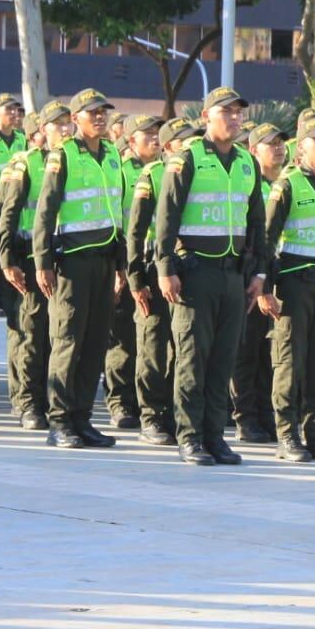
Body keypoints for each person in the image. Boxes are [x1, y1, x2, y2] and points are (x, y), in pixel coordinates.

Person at [153, 86, 268, 466]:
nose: (234, 118)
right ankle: (189, 435)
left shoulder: (246, 162)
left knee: (223, 359)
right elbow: (167, 218)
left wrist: (259, 273)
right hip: (195, 272)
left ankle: (215, 435)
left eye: (238, 112)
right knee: (192, 357)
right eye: (226, 112)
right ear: (206, 117)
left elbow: (257, 223)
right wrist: (165, 268)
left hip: (233, 275)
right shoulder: (186, 159)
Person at [33, 89, 126, 450]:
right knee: (68, 342)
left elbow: (116, 212)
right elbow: (46, 211)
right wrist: (42, 261)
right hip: (73, 262)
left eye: (103, 111)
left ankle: (82, 419)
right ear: (76, 119)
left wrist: (121, 265)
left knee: (93, 344)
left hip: (104, 261)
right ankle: (59, 421)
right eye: (92, 112)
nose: (100, 117)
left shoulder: (112, 155)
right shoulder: (64, 155)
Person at [262, 119, 315, 461]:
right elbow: (267, 238)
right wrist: (265, 287)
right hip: (294, 281)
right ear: (301, 147)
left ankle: (313, 432)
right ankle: (287, 434)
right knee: (290, 361)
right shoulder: (288, 184)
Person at [0, 102, 72, 432]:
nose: (67, 130)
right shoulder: (24, 163)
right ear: (42, 131)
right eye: (59, 125)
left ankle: (48, 398)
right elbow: (7, 214)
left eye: (69, 124)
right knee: (29, 331)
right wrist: (6, 260)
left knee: (56, 335)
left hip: (61, 257)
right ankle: (27, 402)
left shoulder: (73, 161)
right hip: (28, 256)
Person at [126, 117, 198, 446]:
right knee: (154, 345)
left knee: (182, 347)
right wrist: (136, 277)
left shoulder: (199, 172)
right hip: (156, 270)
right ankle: (151, 414)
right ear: (168, 147)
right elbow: (137, 231)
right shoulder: (152, 175)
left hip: (189, 270)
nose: (189, 144)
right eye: (182, 139)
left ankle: (175, 411)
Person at [104, 114, 161, 433]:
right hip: (127, 262)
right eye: (146, 134)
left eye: (156, 133)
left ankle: (147, 402)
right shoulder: (120, 172)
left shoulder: (165, 170)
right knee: (123, 339)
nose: (153, 139)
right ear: (130, 139)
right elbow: (115, 220)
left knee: (150, 340)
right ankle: (120, 401)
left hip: (154, 263)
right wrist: (119, 269)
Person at [231, 122, 285, 444]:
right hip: (251, 275)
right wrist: (261, 284)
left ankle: (265, 414)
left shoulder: (285, 183)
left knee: (269, 352)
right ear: (253, 150)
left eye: (280, 142)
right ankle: (245, 417)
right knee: (246, 350)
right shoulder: (247, 182)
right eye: (270, 143)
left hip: (277, 273)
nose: (278, 148)